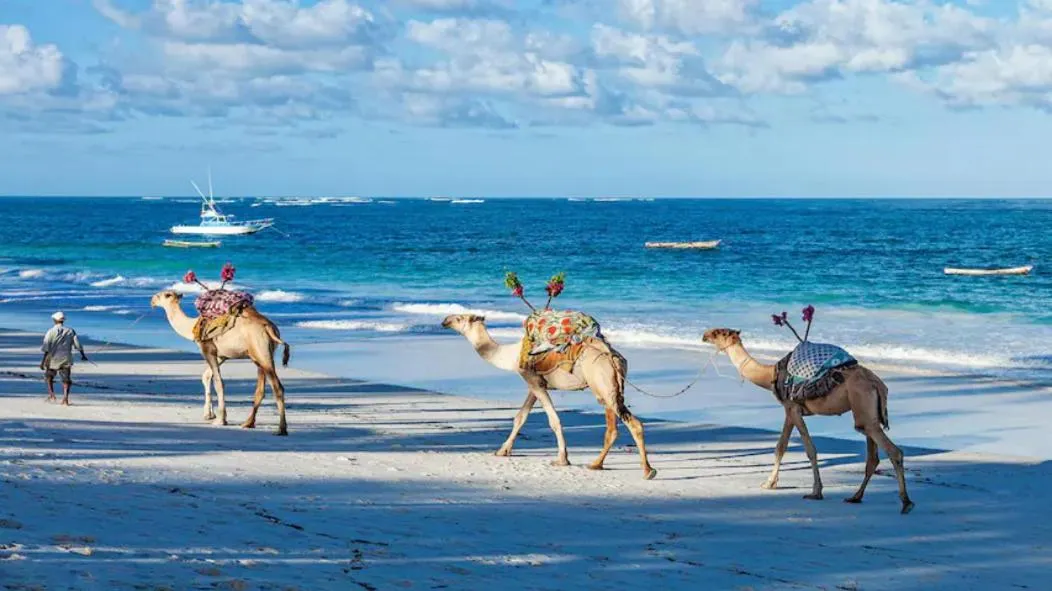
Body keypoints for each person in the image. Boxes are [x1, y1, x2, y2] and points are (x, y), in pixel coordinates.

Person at [40, 311, 87, 405]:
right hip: (66, 358)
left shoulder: (50, 331)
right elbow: (77, 344)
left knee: (49, 377)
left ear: (54, 320)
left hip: (52, 358)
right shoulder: (70, 331)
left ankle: (52, 394)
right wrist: (83, 355)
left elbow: (46, 347)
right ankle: (65, 398)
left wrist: (43, 361)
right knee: (66, 379)